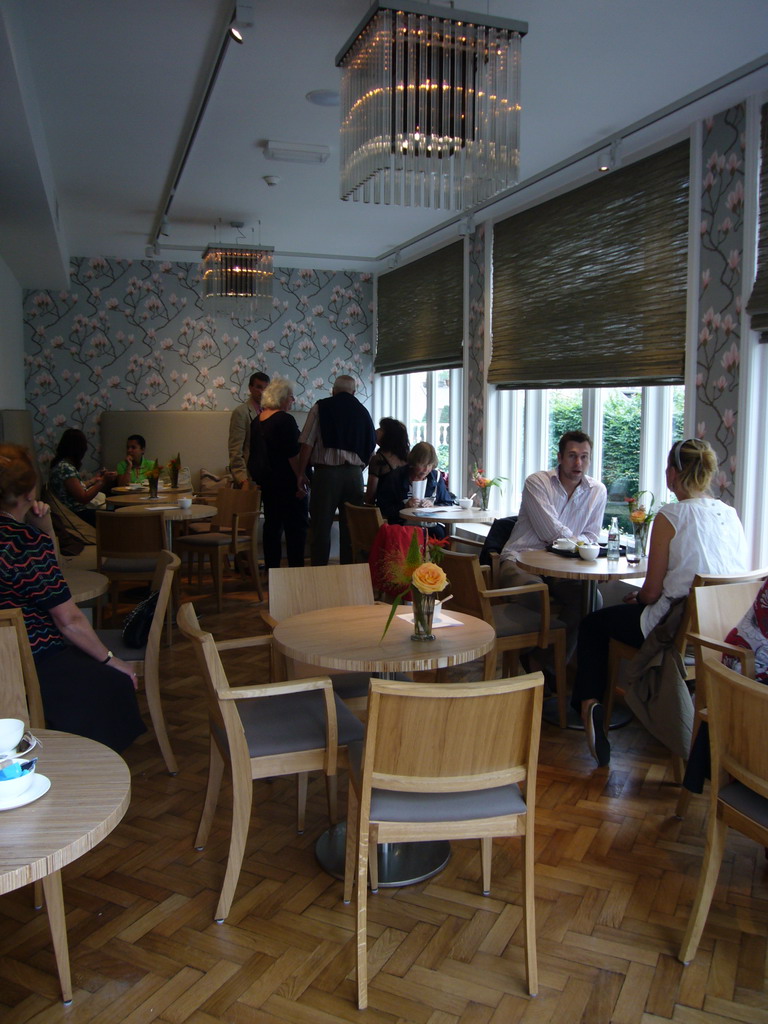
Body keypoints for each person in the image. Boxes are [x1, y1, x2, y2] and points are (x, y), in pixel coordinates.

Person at [572, 438, 748, 767]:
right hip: (721, 635)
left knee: (592, 625)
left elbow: (651, 594)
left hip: (676, 631)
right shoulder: (730, 514)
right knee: (621, 614)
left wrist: (640, 597)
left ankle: (588, 707)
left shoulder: (671, 515)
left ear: (673, 474)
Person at [0, 444, 146, 752]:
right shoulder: (25, 544)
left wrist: (41, 527)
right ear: (29, 493)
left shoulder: (27, 538)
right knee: (113, 683)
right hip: (31, 660)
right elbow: (68, 620)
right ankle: (84, 764)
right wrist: (113, 660)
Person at [296, 375, 376, 565]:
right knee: (351, 529)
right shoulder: (363, 411)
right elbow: (371, 445)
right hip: (354, 476)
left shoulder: (321, 407)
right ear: (354, 392)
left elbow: (307, 442)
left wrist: (301, 473)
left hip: (326, 475)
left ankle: (320, 574)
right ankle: (347, 574)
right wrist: (359, 468)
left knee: (320, 527)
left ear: (333, 390)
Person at [248, 377, 308, 569]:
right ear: (282, 398)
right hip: (288, 483)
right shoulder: (285, 420)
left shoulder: (258, 420)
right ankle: (295, 572)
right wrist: (301, 478)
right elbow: (292, 455)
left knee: (272, 527)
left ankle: (273, 570)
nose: (293, 401)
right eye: (291, 397)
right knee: (295, 529)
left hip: (268, 482)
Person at [376, 441, 454, 539]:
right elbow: (382, 507)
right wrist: (404, 506)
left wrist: (433, 506)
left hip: (429, 526)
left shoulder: (436, 477)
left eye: (430, 465)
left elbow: (448, 504)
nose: (426, 469)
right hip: (402, 526)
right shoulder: (395, 477)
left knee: (439, 534)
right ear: (413, 462)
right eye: (422, 464)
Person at [48, 427, 115, 526]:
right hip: (76, 514)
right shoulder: (66, 469)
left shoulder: (60, 465)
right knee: (115, 512)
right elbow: (83, 498)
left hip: (73, 511)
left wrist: (94, 480)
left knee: (112, 507)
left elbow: (75, 487)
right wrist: (103, 481)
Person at [228, 370, 270, 487]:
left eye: (265, 388)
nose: (262, 392)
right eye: (258, 387)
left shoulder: (269, 412)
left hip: (267, 477)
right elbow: (236, 450)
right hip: (249, 477)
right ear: (250, 388)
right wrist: (243, 480)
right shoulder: (241, 413)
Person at [364, 417, 410, 504]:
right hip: (406, 506)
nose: (376, 431)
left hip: (386, 511)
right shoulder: (408, 458)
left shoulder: (379, 459)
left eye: (381, 429)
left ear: (389, 436)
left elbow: (370, 497)